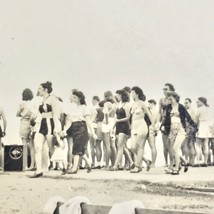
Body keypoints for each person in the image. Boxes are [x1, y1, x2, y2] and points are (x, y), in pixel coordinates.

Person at [161, 91, 197, 175]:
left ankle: (176, 168)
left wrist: (194, 127)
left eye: (171, 98)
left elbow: (188, 117)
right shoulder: (168, 107)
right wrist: (162, 126)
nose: (169, 99)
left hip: (180, 129)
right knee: (172, 149)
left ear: (175, 98)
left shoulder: (181, 107)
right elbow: (166, 119)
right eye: (168, 98)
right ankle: (182, 162)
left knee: (175, 148)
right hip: (172, 130)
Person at [30, 81, 61, 178]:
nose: (38, 90)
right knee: (37, 146)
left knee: (52, 148)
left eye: (40, 88)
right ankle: (39, 170)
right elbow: (39, 115)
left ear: (45, 89)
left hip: (51, 123)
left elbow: (56, 115)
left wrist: (57, 128)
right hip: (42, 124)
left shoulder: (53, 100)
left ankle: (63, 166)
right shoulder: (41, 100)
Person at [61, 89, 97, 174]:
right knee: (79, 149)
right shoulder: (72, 108)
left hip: (81, 127)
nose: (73, 98)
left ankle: (74, 168)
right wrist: (65, 130)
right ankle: (89, 163)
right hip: (74, 127)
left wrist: (93, 132)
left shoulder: (84, 108)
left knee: (76, 148)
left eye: (75, 97)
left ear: (79, 98)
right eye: (73, 97)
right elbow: (69, 121)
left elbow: (88, 121)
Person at [129, 86, 155, 173]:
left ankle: (137, 166)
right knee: (132, 147)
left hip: (142, 125)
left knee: (139, 146)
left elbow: (149, 114)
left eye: (132, 93)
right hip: (134, 127)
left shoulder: (142, 103)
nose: (131, 95)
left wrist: (153, 126)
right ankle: (146, 161)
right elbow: (131, 117)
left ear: (137, 94)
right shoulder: (132, 105)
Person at [111, 89, 134, 171]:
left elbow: (128, 117)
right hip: (118, 126)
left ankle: (115, 165)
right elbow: (116, 118)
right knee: (123, 146)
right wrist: (113, 127)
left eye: (118, 95)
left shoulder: (126, 105)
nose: (116, 96)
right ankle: (132, 162)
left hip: (124, 126)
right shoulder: (119, 105)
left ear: (121, 95)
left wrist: (118, 121)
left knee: (120, 146)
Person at [16, 88, 36, 171]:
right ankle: (32, 165)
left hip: (24, 122)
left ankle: (25, 166)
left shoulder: (22, 104)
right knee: (32, 146)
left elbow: (17, 114)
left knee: (24, 145)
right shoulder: (34, 103)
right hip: (32, 123)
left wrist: (22, 114)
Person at [158, 83, 175, 167]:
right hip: (164, 122)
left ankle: (173, 162)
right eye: (163, 89)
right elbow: (159, 112)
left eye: (166, 89)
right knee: (165, 145)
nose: (164, 91)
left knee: (171, 144)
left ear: (171, 90)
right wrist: (158, 123)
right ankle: (166, 162)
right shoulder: (161, 100)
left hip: (172, 122)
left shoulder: (174, 99)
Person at [194, 97, 211, 167]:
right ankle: (205, 161)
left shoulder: (199, 109)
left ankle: (198, 161)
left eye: (198, 101)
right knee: (206, 144)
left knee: (198, 145)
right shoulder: (209, 109)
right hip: (207, 127)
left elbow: (195, 121)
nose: (197, 103)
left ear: (201, 101)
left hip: (201, 126)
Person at [102, 91, 117, 168]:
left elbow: (106, 113)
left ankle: (107, 164)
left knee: (107, 145)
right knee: (113, 145)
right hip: (113, 123)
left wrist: (106, 121)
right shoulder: (115, 104)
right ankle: (114, 164)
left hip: (107, 124)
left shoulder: (106, 104)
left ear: (105, 97)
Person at [182, 98, 196, 166]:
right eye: (184, 103)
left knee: (186, 145)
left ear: (190, 103)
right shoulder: (192, 110)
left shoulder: (190, 111)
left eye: (186, 103)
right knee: (191, 145)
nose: (185, 104)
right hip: (192, 128)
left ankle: (187, 160)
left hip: (188, 128)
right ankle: (191, 161)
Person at [146, 99, 158, 166]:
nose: (148, 105)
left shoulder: (151, 111)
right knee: (153, 146)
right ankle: (153, 162)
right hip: (153, 127)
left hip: (150, 127)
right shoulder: (157, 111)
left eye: (149, 104)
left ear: (152, 103)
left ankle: (153, 163)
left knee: (152, 146)